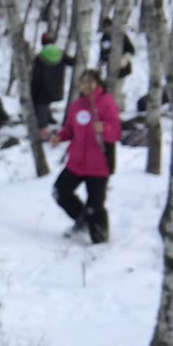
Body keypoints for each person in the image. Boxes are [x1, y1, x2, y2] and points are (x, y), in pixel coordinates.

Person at [49, 68, 122, 243]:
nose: (86, 86)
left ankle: (100, 240)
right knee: (60, 192)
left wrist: (104, 128)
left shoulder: (106, 103)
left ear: (98, 83)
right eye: (83, 82)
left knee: (95, 206)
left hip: (99, 165)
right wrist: (60, 137)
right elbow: (70, 130)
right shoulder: (77, 105)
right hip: (77, 162)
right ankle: (82, 221)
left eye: (90, 82)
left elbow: (117, 131)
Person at [29, 31, 75, 133]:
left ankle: (43, 128)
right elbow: (72, 62)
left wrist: (32, 88)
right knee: (46, 103)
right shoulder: (61, 53)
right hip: (57, 88)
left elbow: (36, 76)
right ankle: (49, 118)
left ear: (42, 42)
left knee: (40, 104)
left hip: (42, 88)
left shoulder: (40, 57)